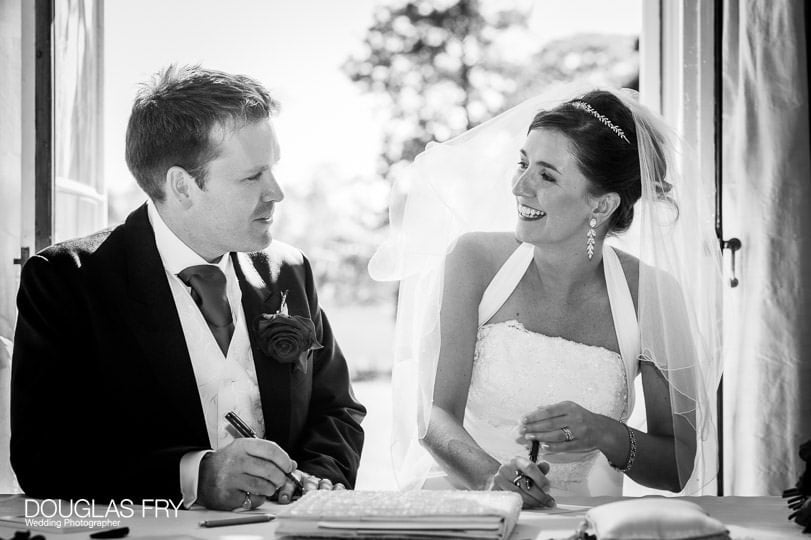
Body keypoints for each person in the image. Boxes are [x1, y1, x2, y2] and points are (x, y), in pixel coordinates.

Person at [11, 65, 365, 511]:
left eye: (273, 169)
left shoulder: (290, 270)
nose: (276, 192)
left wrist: (317, 483)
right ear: (182, 186)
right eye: (252, 176)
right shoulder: (68, 279)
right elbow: (45, 457)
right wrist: (195, 476)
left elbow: (338, 411)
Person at [371, 88, 722, 507]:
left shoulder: (652, 296)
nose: (520, 186)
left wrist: (604, 432)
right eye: (523, 163)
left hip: (582, 518)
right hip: (463, 502)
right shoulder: (473, 261)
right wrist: (490, 480)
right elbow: (434, 417)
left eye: (547, 175)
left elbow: (678, 467)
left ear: (603, 203)